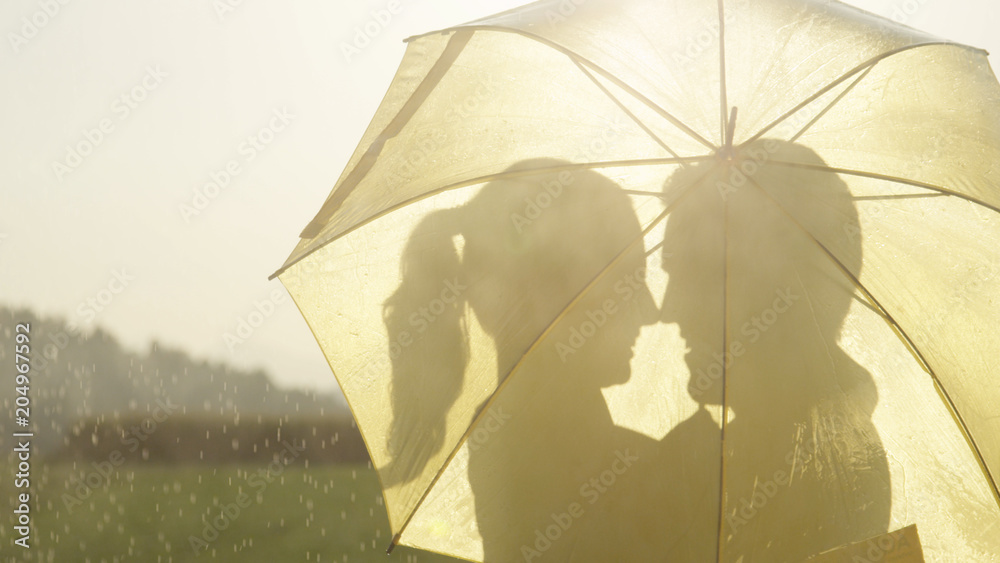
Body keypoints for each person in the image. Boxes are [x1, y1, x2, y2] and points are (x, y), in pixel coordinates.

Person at [382, 158, 665, 561]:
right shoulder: (554, 452)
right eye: (627, 281)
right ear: (549, 295)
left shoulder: (511, 430)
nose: (651, 311)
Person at [658, 140, 892, 561]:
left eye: (692, 277)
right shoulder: (819, 442)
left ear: (768, 287)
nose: (668, 309)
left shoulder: (818, 469)